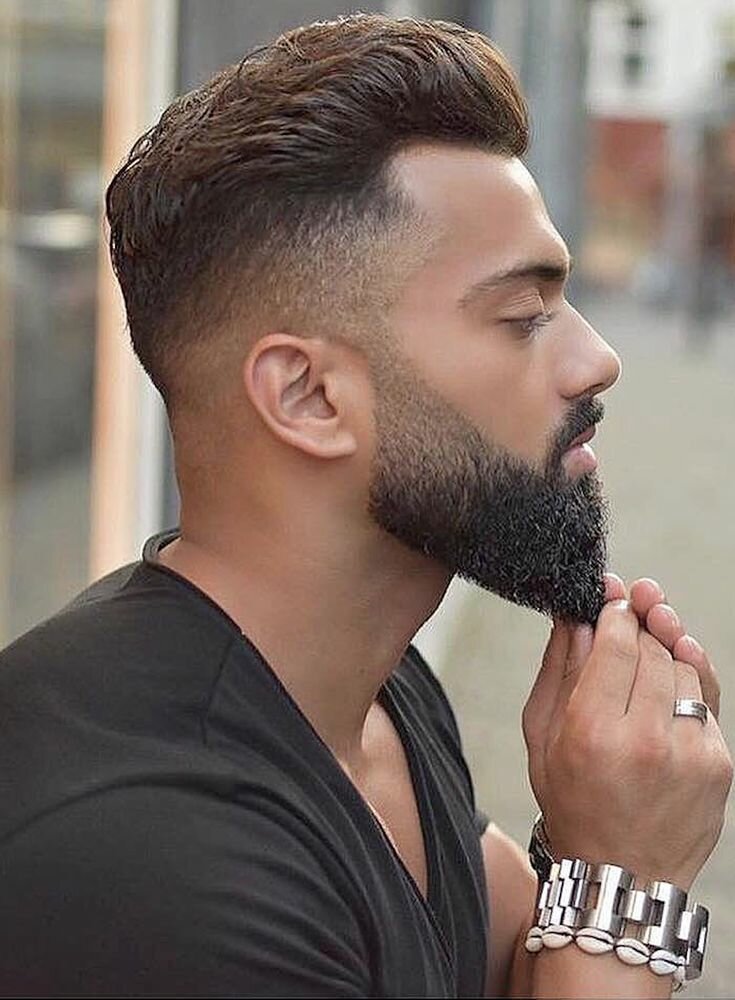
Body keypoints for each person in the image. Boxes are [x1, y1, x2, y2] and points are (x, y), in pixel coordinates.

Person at [0, 13, 730, 998]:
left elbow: (517, 969)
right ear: (308, 397)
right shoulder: (147, 865)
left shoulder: (362, 691)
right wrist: (626, 879)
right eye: (523, 316)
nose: (596, 359)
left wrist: (598, 818)